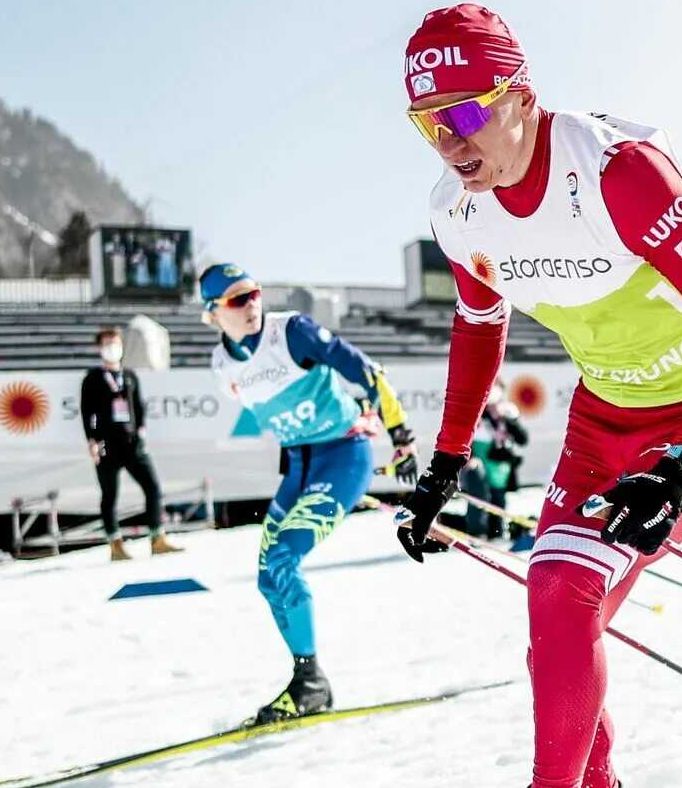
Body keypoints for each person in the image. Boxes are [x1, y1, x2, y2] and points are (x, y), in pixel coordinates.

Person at [391, 4, 682, 788]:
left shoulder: (616, 174)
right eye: (427, 123)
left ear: (521, 96)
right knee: (559, 601)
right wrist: (445, 462)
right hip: (604, 424)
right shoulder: (456, 209)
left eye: (468, 115)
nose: (451, 142)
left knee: (571, 594)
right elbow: (480, 327)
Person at [203, 263, 419, 726]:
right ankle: (307, 680)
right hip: (299, 466)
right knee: (267, 577)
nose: (252, 304)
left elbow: (366, 370)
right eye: (238, 299)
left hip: (344, 456)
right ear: (213, 313)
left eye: (255, 293)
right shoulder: (222, 367)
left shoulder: (292, 332)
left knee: (283, 559)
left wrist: (401, 436)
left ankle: (311, 683)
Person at [80, 327, 182, 560]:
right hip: (107, 443)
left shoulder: (129, 376)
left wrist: (141, 431)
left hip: (131, 442)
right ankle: (115, 544)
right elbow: (87, 412)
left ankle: (158, 537)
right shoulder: (93, 378)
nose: (112, 348)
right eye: (107, 344)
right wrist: (92, 440)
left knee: (153, 487)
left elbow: (138, 406)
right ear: (99, 348)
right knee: (110, 495)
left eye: (115, 343)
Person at [462, 379, 529, 539]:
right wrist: (469, 457)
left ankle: (497, 532)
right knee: (480, 497)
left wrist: (506, 419)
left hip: (500, 466)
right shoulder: (477, 413)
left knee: (498, 500)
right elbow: (465, 438)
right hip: (480, 461)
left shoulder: (507, 411)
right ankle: (477, 532)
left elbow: (522, 439)